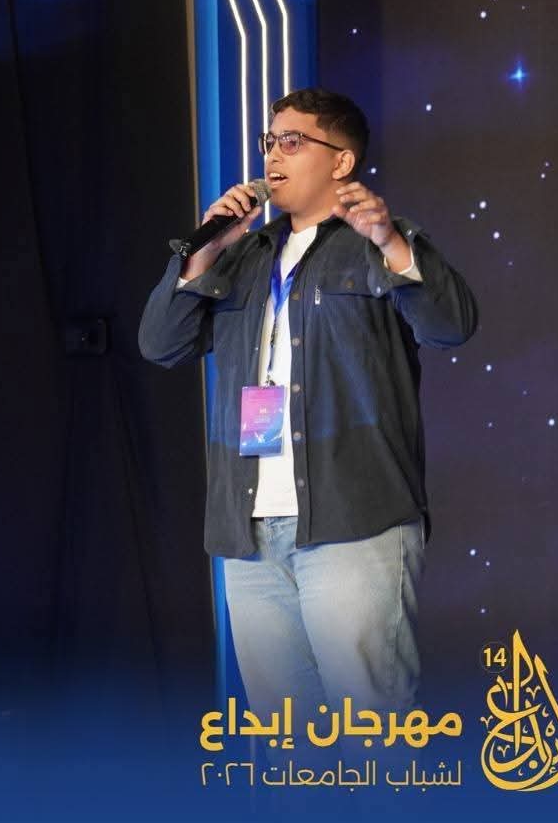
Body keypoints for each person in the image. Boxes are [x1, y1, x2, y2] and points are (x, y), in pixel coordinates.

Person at [138, 88, 478, 726]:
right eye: (269, 142)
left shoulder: (376, 243)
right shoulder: (243, 256)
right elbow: (160, 344)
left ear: (341, 161)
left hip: (353, 522)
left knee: (373, 731)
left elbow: (451, 326)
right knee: (287, 738)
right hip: (249, 532)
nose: (273, 155)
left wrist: (390, 241)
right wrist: (205, 251)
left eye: (291, 142)